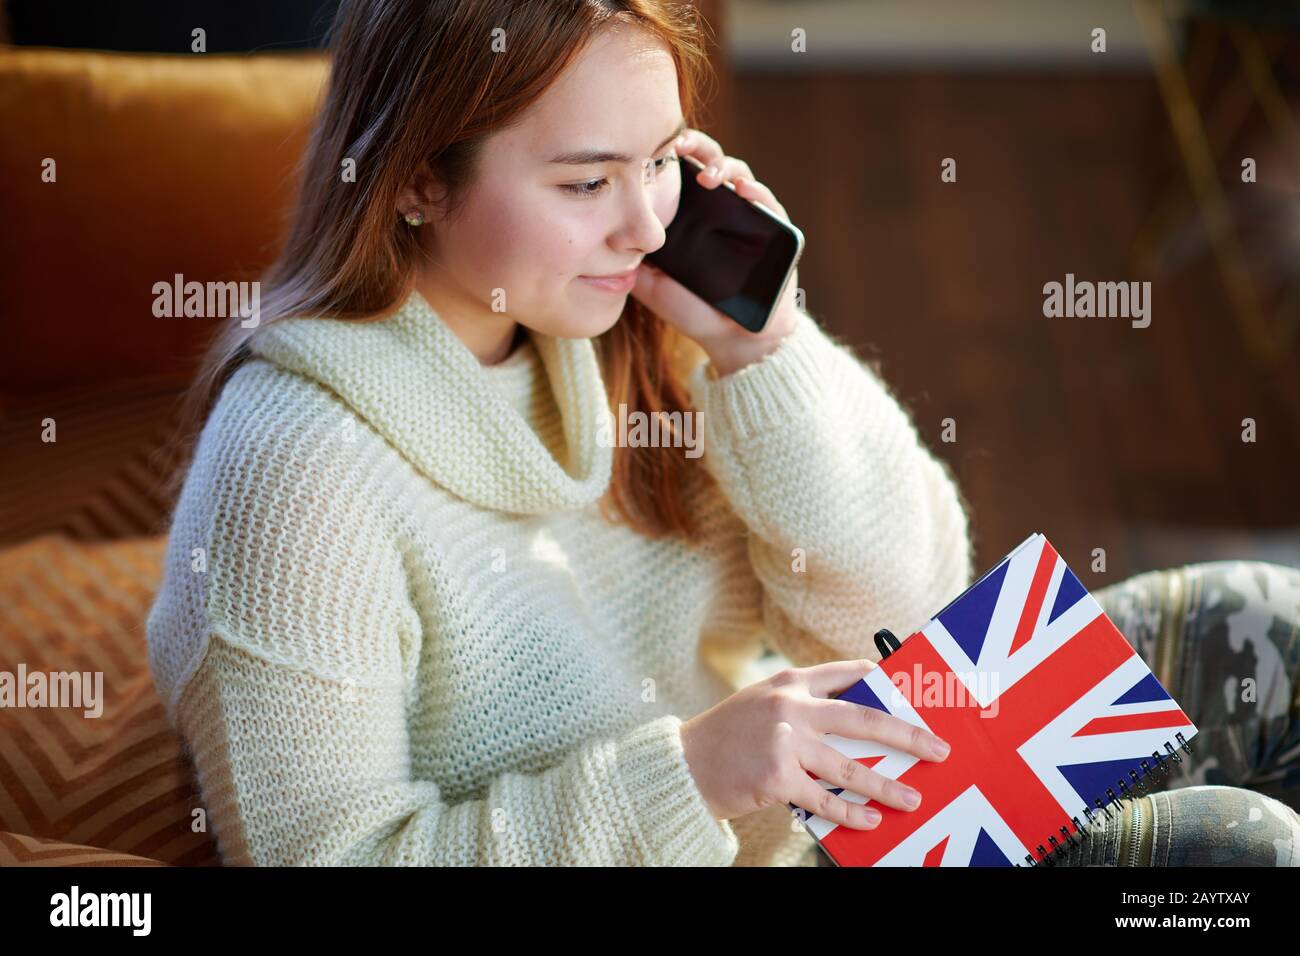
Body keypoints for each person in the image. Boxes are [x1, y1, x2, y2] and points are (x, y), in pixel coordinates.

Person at [145, 0, 1299, 867]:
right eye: (588, 181)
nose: (648, 223)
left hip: (830, 798)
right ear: (415, 185)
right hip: (772, 834)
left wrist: (767, 350)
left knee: (1277, 621)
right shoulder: (293, 477)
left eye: (660, 161)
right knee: (1240, 848)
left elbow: (917, 606)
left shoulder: (625, 327)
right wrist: (691, 770)